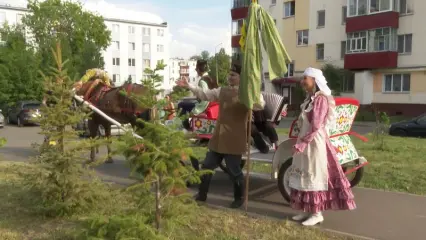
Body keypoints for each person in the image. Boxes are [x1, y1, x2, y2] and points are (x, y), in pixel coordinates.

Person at [175, 62, 265, 208]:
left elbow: (260, 105)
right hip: (218, 137)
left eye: (233, 75)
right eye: (229, 74)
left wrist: (253, 91)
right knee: (207, 166)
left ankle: (239, 197)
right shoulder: (222, 91)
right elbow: (205, 94)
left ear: (241, 78)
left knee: (234, 171)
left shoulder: (246, 94)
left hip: (234, 139)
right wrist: (189, 86)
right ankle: (202, 195)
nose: (229, 77)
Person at [289, 67, 356, 226]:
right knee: (304, 174)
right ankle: (305, 209)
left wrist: (303, 143)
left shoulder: (321, 99)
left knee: (314, 174)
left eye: (305, 78)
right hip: (305, 141)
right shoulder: (310, 99)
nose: (302, 81)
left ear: (314, 81)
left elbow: (316, 125)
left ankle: (317, 213)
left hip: (314, 142)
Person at [178, 60, 218, 130]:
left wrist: (195, 111)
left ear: (199, 69)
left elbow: (205, 99)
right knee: (187, 104)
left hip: (205, 107)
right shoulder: (212, 78)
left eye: (196, 68)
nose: (196, 70)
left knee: (181, 104)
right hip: (213, 105)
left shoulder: (202, 81)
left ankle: (186, 127)